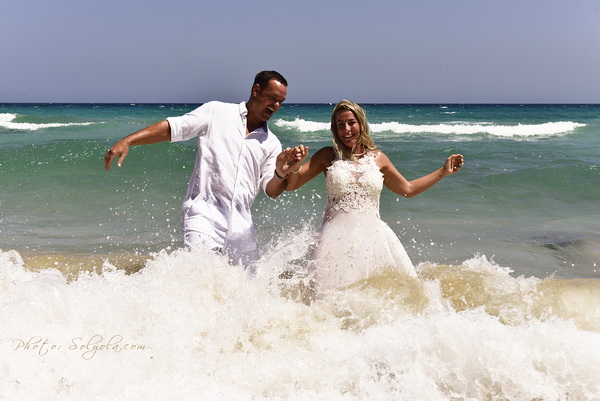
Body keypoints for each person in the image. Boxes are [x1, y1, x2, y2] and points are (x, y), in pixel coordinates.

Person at [104, 71, 303, 267]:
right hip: (203, 215)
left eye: (281, 102)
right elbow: (175, 128)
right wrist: (129, 140)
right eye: (272, 98)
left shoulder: (271, 143)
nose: (276, 106)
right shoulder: (217, 112)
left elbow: (271, 190)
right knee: (203, 273)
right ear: (256, 90)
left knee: (246, 284)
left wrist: (280, 173)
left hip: (242, 227)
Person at [284, 100, 464, 296]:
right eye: (340, 124)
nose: (346, 129)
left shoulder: (378, 158)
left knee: (381, 297)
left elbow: (408, 189)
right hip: (334, 239)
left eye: (351, 122)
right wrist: (295, 166)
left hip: (374, 238)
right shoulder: (327, 155)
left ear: (361, 124)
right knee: (324, 297)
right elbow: (292, 185)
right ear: (334, 129)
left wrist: (442, 172)